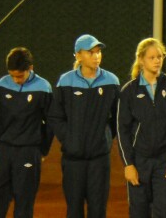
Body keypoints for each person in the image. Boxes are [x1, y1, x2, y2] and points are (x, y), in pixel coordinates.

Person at [48, 34, 120, 218]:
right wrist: (70, 139)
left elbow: (117, 117)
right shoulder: (65, 81)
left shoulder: (112, 81)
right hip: (73, 160)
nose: (96, 56)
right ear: (78, 55)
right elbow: (56, 117)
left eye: (98, 52)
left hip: (99, 159)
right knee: (74, 210)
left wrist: (104, 136)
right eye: (90, 52)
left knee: (98, 209)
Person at [117, 38, 166, 217]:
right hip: (139, 161)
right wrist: (128, 164)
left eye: (160, 57)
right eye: (152, 57)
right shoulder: (128, 91)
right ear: (141, 60)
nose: (157, 61)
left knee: (164, 210)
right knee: (139, 211)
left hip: (165, 161)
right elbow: (122, 130)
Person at [0, 47, 53, 218]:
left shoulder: (44, 87)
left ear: (30, 68)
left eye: (20, 76)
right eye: (12, 75)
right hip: (5, 150)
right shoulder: (2, 84)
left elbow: (50, 122)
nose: (16, 80)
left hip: (29, 151)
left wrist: (42, 150)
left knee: (24, 201)